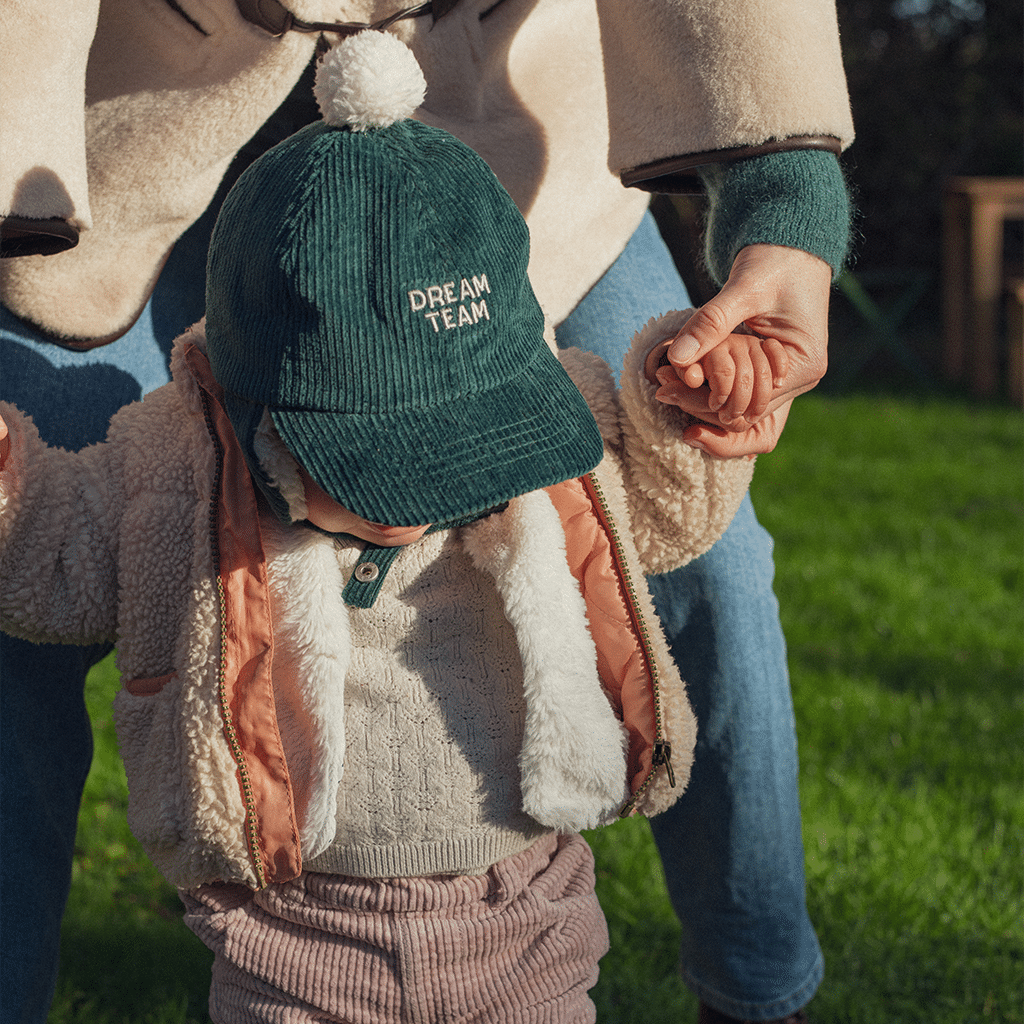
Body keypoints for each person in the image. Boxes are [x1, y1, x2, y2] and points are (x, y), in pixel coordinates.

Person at [1, 3, 853, 1023]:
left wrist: (781, 193)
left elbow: (672, 496)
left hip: (496, 132)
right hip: (124, 130)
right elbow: (48, 536)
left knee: (701, 553)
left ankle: (758, 992)